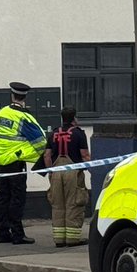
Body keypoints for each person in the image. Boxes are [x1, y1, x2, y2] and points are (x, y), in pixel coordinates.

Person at [0, 82, 47, 245]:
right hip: (16, 162)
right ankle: (17, 234)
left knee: (3, 198)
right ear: (25, 97)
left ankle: (2, 233)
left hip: (1, 161)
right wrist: (41, 157)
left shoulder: (2, 112)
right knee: (17, 199)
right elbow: (40, 142)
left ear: (12, 95)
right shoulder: (23, 117)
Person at [44, 106, 91, 247]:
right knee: (74, 204)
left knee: (58, 205)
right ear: (74, 118)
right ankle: (72, 239)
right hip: (73, 173)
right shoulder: (79, 134)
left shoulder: (53, 134)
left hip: (56, 172)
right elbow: (85, 155)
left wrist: (51, 171)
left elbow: (47, 155)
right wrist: (90, 169)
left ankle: (59, 239)